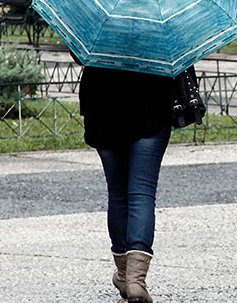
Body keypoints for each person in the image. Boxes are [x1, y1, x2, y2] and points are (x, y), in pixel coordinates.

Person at [79, 62, 203, 303]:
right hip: (151, 101)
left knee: (117, 194)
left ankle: (125, 274)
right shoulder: (158, 22)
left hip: (101, 102)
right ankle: (136, 281)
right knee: (141, 194)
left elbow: (78, 53)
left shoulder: (100, 23)